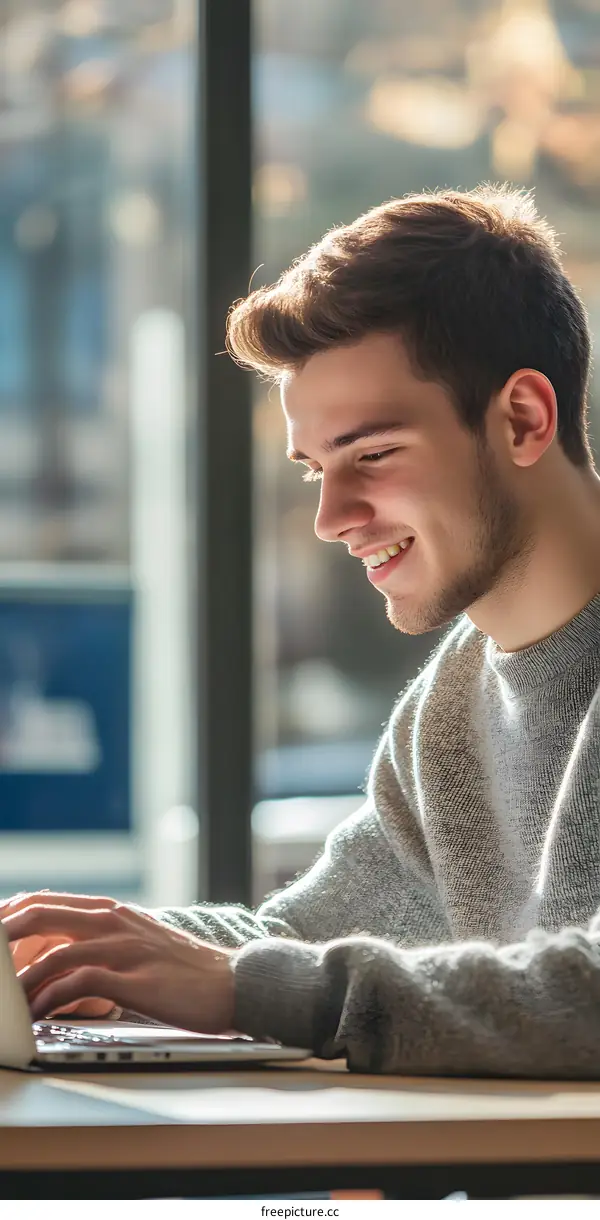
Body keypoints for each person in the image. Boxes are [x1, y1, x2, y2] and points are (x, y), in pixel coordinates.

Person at [4, 181, 600, 1077]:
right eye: (315, 466)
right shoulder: (449, 709)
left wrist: (252, 987)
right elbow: (299, 940)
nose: (331, 516)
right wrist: (71, 944)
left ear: (522, 418)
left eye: (373, 454)